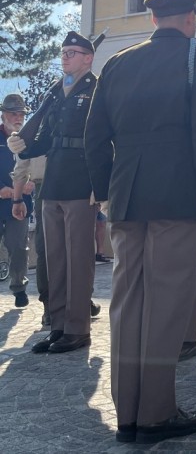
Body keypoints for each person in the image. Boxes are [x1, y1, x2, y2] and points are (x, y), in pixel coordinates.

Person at [84, 0, 196, 445]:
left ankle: (127, 413)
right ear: (190, 18)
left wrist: (106, 192)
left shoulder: (118, 62)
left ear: (152, 20)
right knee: (165, 304)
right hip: (177, 194)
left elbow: (94, 136)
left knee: (127, 303)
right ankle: (156, 414)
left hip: (126, 194)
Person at [9, 33, 99, 355]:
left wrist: (98, 187)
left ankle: (78, 328)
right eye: (62, 53)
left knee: (78, 260)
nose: (65, 57)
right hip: (54, 183)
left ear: (88, 58)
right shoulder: (56, 93)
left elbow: (103, 139)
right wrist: (24, 146)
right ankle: (58, 324)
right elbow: (46, 138)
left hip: (80, 183)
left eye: (72, 53)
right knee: (56, 260)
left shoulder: (96, 90)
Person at [0, 94, 33, 308]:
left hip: (20, 203)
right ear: (3, 115)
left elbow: (38, 166)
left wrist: (32, 183)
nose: (18, 117)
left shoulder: (29, 138)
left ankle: (19, 287)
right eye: (13, 113)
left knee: (19, 247)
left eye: (21, 113)